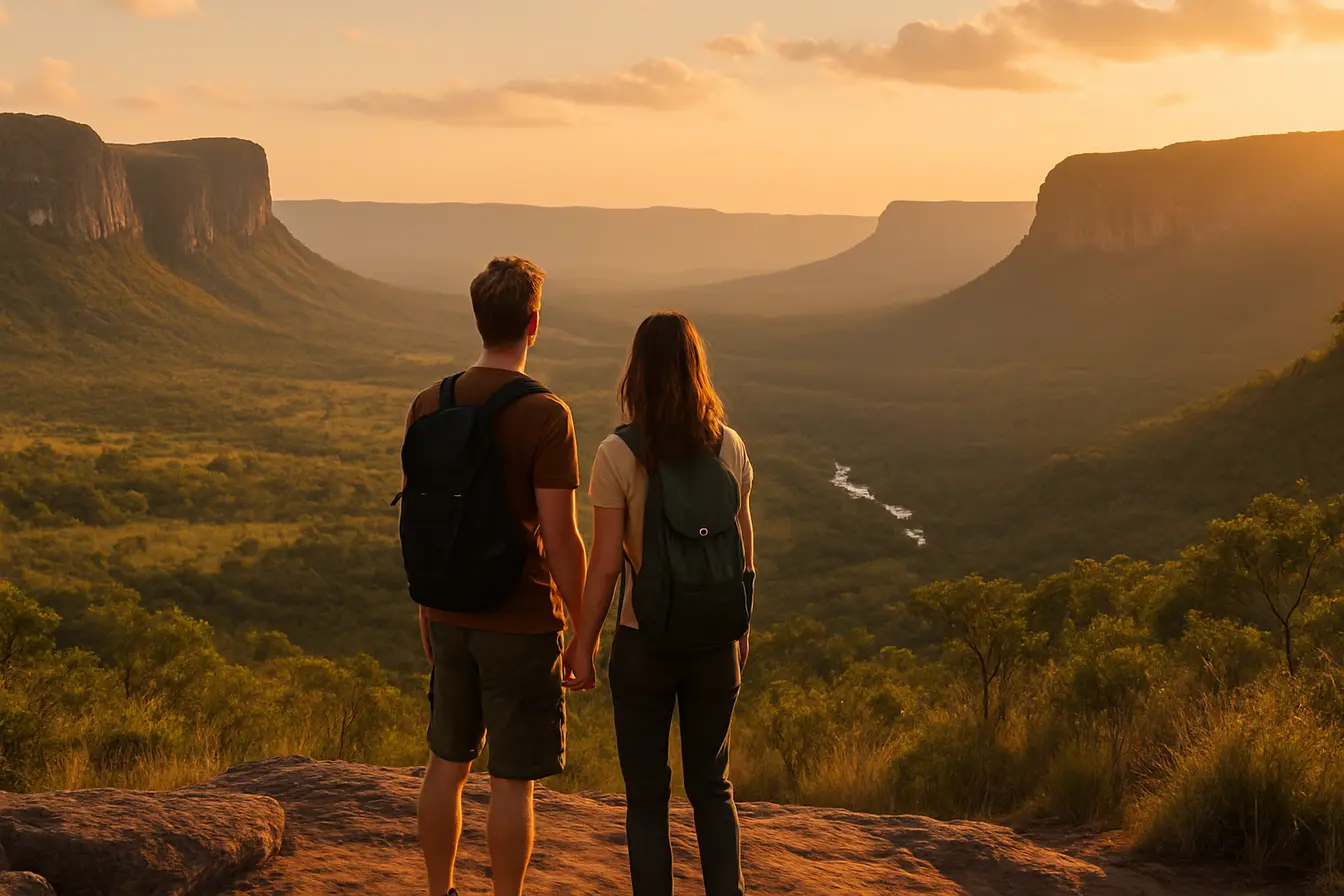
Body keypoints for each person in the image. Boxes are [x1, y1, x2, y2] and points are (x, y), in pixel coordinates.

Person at [405, 256, 588, 896]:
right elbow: (562, 539)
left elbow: (424, 524)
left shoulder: (429, 403)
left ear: (480, 319)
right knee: (511, 782)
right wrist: (584, 632)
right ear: (533, 324)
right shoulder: (546, 415)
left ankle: (439, 891)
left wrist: (426, 611)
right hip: (521, 621)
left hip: (449, 615)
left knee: (445, 766)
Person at [567, 311, 755, 896]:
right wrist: (739, 639)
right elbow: (745, 552)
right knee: (712, 787)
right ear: (697, 370)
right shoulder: (729, 446)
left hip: (644, 643)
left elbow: (603, 567)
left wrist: (583, 644)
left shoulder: (616, 454)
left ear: (636, 375)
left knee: (647, 797)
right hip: (714, 644)